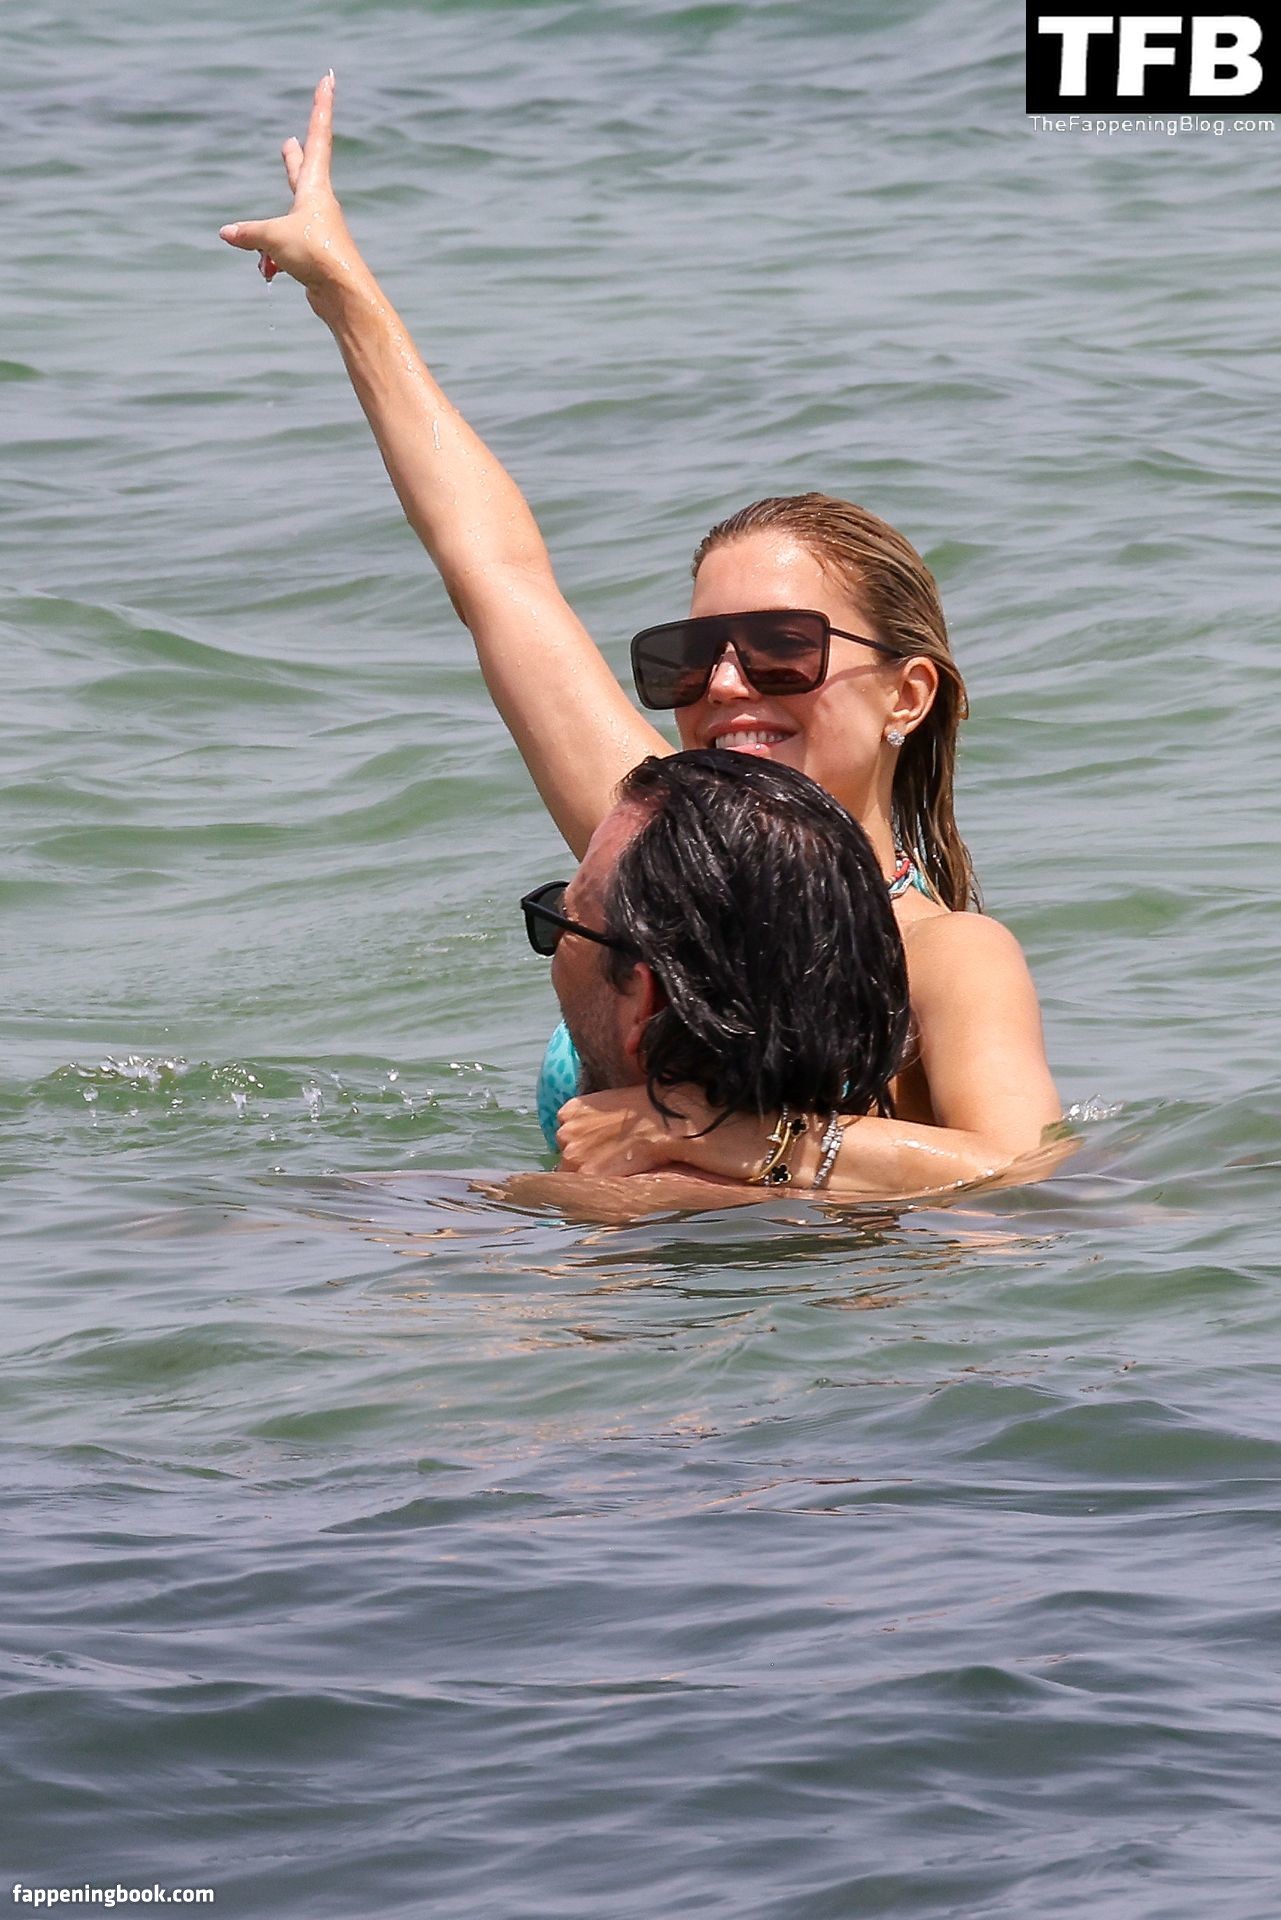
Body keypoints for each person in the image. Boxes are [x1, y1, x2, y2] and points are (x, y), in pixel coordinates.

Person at [220, 76, 1062, 1196]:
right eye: (692, 655)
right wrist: (345, 293)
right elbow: (496, 575)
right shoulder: (656, 847)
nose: (726, 686)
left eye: (781, 649)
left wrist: (724, 1139)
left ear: (907, 693)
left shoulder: (947, 958)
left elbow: (1025, 1176)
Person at [519, 748, 913, 1200]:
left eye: (564, 922)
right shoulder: (901, 1188)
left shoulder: (528, 1225)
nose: (555, 945)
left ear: (643, 1002)